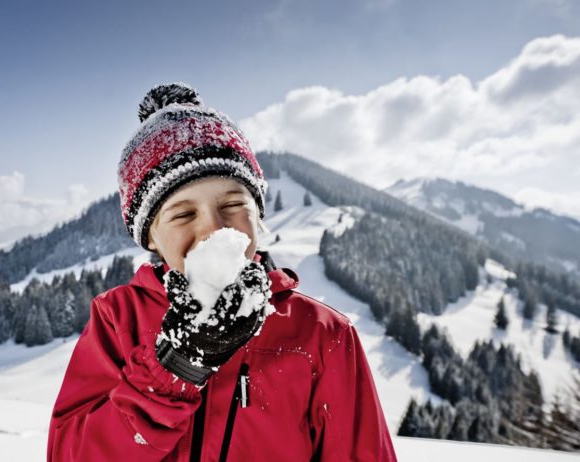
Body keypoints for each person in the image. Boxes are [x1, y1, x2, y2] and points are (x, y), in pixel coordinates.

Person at [47, 83, 397, 461]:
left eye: (232, 203)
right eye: (182, 214)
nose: (214, 228)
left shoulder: (321, 334)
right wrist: (174, 367)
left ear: (258, 215)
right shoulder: (118, 319)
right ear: (151, 238)